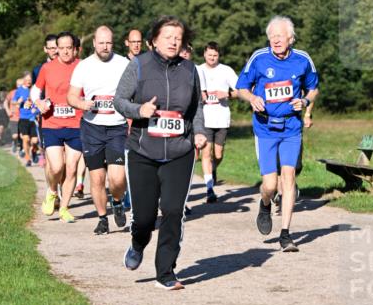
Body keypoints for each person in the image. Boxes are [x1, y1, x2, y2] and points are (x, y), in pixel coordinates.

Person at [114, 16, 207, 291]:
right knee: (143, 217)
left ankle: (165, 272)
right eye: (167, 36)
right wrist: (138, 110)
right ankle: (137, 242)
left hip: (180, 149)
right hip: (143, 149)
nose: (173, 41)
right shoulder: (139, 65)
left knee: (173, 210)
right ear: (153, 40)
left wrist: (199, 132)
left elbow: (196, 108)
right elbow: (120, 100)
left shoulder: (190, 69)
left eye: (178, 37)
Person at [235, 16, 319, 251]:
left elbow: (313, 89)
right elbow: (240, 87)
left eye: (280, 36)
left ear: (291, 38)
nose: (275, 40)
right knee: (270, 185)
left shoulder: (303, 60)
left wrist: (304, 101)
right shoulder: (259, 58)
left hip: (291, 127)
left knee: (289, 177)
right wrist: (252, 97)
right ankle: (264, 205)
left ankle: (285, 234)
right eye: (272, 36)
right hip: (265, 128)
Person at [68, 25, 130, 234]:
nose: (105, 47)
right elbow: (71, 96)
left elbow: (136, 92)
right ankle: (102, 218)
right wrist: (81, 104)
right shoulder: (83, 66)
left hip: (117, 127)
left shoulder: (124, 64)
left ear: (113, 43)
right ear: (94, 43)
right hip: (92, 128)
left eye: (108, 43)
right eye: (101, 42)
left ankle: (118, 201)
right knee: (96, 178)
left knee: (118, 178)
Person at [30, 32, 82, 223]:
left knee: (72, 168)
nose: (66, 51)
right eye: (62, 48)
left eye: (69, 47)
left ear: (74, 48)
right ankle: (52, 191)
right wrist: (39, 103)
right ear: (56, 49)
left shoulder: (82, 67)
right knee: (57, 166)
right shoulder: (47, 68)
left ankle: (65, 208)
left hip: (76, 124)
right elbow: (35, 91)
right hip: (51, 123)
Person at [198, 42, 238, 203]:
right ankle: (209, 189)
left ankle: (213, 170)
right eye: (209, 55)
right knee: (206, 154)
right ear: (204, 55)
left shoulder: (226, 70)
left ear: (218, 56)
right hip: (205, 118)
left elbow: (239, 91)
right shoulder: (198, 70)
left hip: (222, 118)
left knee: (218, 154)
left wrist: (227, 93)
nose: (212, 58)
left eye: (215, 55)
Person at [11, 74, 39, 165]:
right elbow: (13, 102)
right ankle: (28, 159)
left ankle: (34, 152)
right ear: (23, 80)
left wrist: (37, 109)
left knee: (34, 141)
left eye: (30, 80)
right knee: (26, 139)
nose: (29, 81)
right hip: (23, 118)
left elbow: (39, 101)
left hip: (33, 118)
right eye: (27, 79)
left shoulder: (34, 90)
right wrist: (18, 102)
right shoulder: (19, 91)